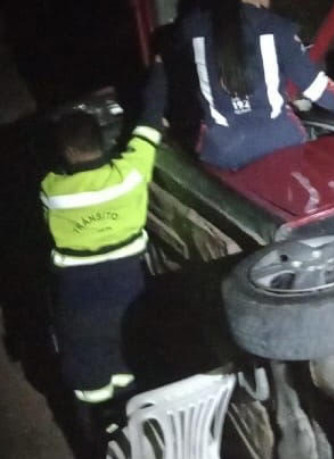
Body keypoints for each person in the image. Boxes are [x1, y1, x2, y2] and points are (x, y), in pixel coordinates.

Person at [40, 61, 167, 453]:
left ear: (65, 153)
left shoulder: (52, 191)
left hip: (78, 310)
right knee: (133, 384)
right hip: (129, 301)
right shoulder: (131, 174)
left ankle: (97, 448)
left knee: (91, 396)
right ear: (103, 142)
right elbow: (150, 121)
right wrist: (159, 71)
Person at [178, 0, 334, 169]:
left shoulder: (191, 29)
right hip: (279, 144)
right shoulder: (276, 28)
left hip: (220, 152)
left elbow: (182, 90)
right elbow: (318, 89)